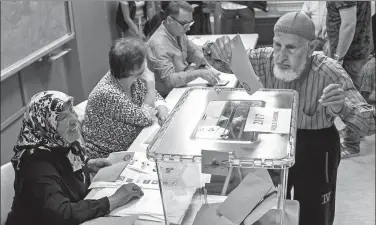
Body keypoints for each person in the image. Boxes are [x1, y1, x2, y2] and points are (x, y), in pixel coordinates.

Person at [202, 12, 376, 225]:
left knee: (313, 214)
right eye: (277, 45)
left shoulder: (329, 72)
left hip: (315, 146)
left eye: (291, 48)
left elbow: (369, 123)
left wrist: (343, 107)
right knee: (269, 207)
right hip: (274, 141)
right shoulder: (263, 59)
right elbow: (222, 61)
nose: (281, 56)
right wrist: (215, 47)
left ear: (311, 48)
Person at [5, 91, 144, 225]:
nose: (73, 120)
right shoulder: (36, 163)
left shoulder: (60, 142)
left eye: (71, 110)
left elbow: (61, 167)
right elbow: (61, 214)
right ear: (44, 124)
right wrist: (113, 200)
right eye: (62, 117)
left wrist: (86, 165)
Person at [82, 38, 168, 159]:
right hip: (108, 158)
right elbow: (145, 118)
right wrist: (151, 83)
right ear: (129, 74)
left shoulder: (133, 78)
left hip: (134, 145)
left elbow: (155, 96)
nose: (146, 71)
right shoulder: (107, 93)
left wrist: (163, 112)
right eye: (142, 70)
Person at [326, 1, 374, 158]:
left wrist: (338, 57)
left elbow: (349, 24)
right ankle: (356, 132)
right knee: (357, 95)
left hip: (350, 54)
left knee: (351, 99)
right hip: (358, 49)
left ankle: (351, 144)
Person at [147, 1, 220, 97]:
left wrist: (208, 58)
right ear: (169, 20)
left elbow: (192, 52)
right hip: (167, 96)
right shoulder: (158, 44)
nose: (188, 29)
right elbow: (170, 81)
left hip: (181, 86)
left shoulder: (177, 32)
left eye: (190, 23)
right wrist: (199, 73)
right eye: (185, 24)